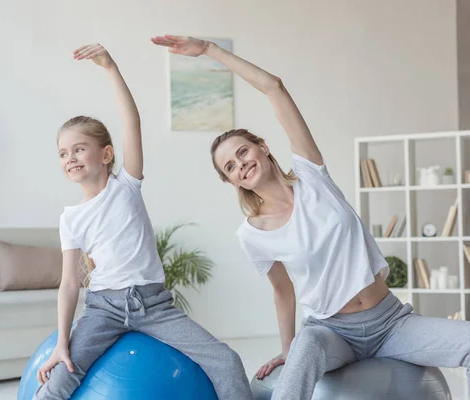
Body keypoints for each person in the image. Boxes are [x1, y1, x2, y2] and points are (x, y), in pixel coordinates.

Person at [151, 34, 470, 400]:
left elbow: (274, 88)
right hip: (331, 330)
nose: (241, 164)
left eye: (243, 152)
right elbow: (282, 290)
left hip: (391, 322)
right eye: (230, 166)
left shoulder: (313, 176)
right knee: (305, 349)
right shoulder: (252, 234)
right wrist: (288, 349)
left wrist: (210, 51)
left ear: (263, 147)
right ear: (229, 180)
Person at [34, 42, 253, 400]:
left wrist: (110, 67)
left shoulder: (127, 185)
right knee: (60, 380)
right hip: (102, 309)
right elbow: (70, 284)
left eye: (78, 148)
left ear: (106, 154)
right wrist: (62, 342)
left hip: (155, 306)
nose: (70, 157)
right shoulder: (70, 218)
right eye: (62, 153)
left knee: (226, 360)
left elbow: (130, 119)